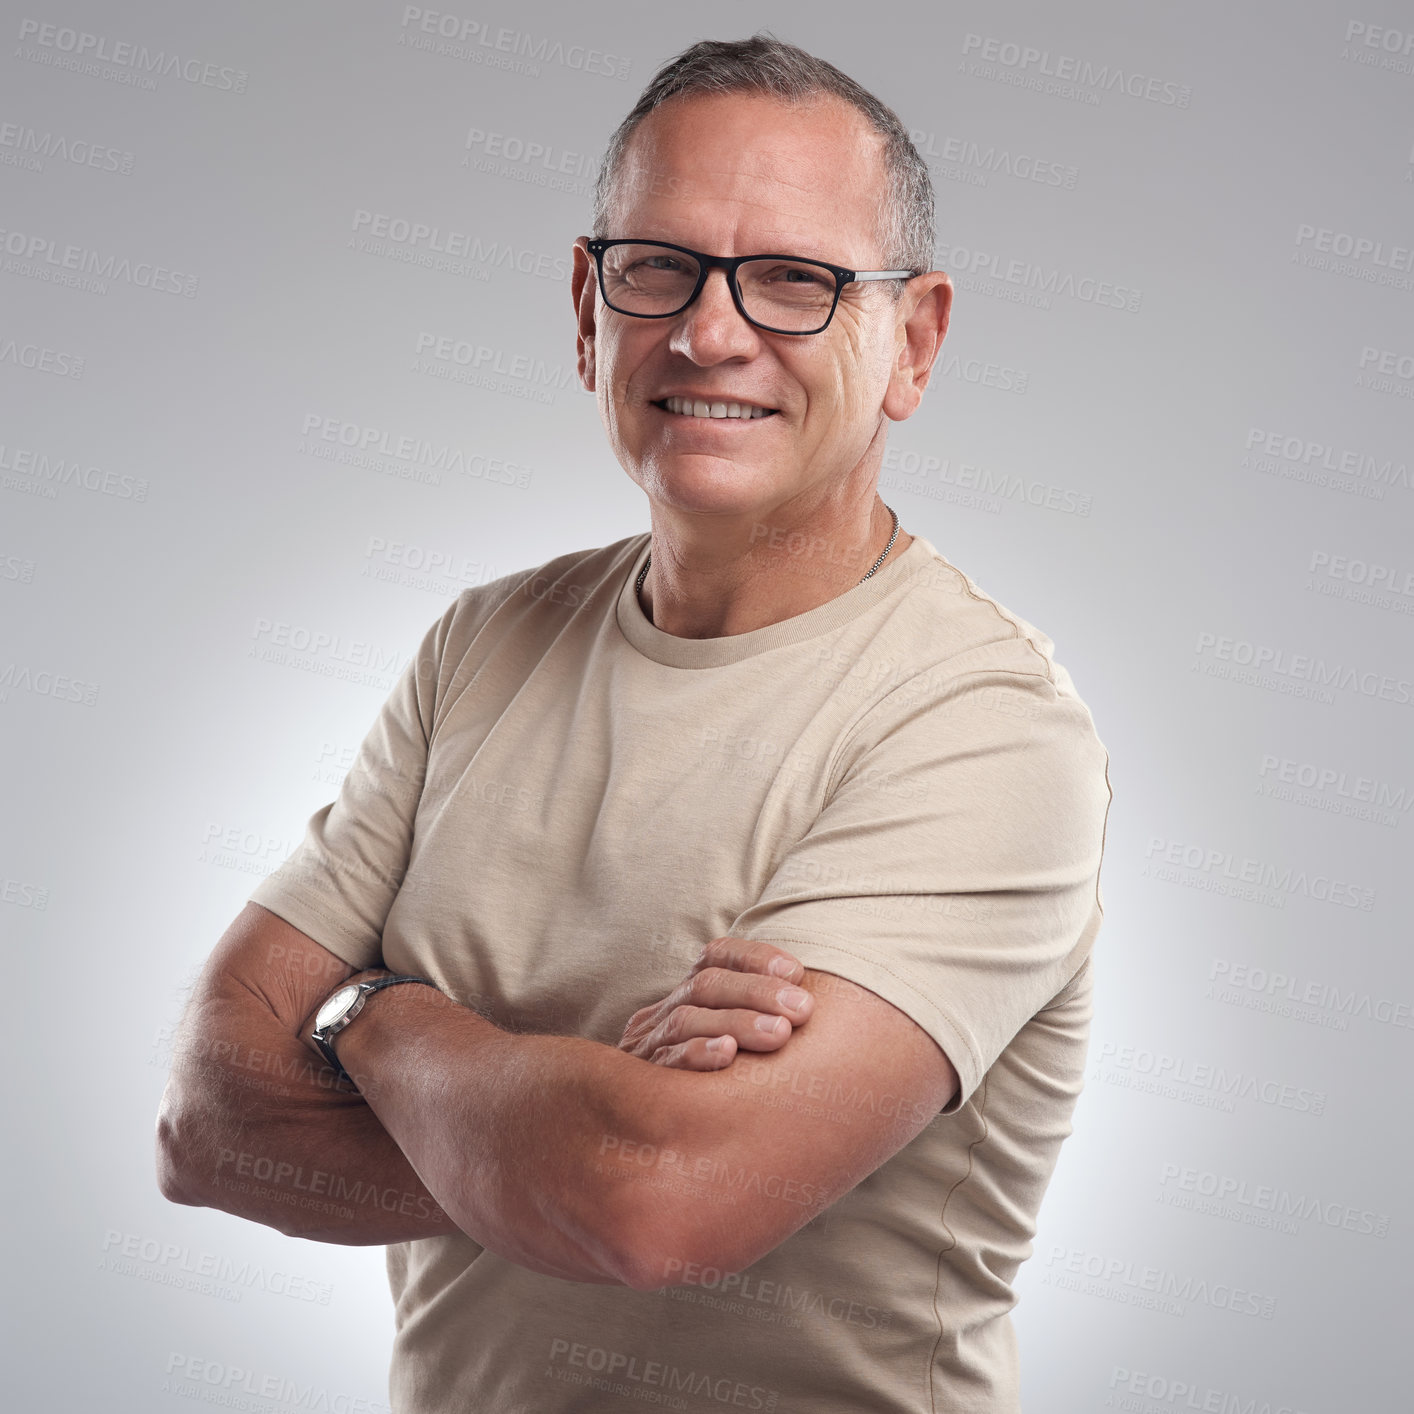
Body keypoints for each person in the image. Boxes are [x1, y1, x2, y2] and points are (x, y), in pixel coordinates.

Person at [156, 33, 1112, 1414]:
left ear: (911, 340)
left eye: (795, 280)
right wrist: (577, 1112)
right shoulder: (481, 647)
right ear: (586, 308)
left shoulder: (980, 727)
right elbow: (206, 1117)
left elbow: (654, 1206)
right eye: (657, 267)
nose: (709, 331)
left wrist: (369, 1017)